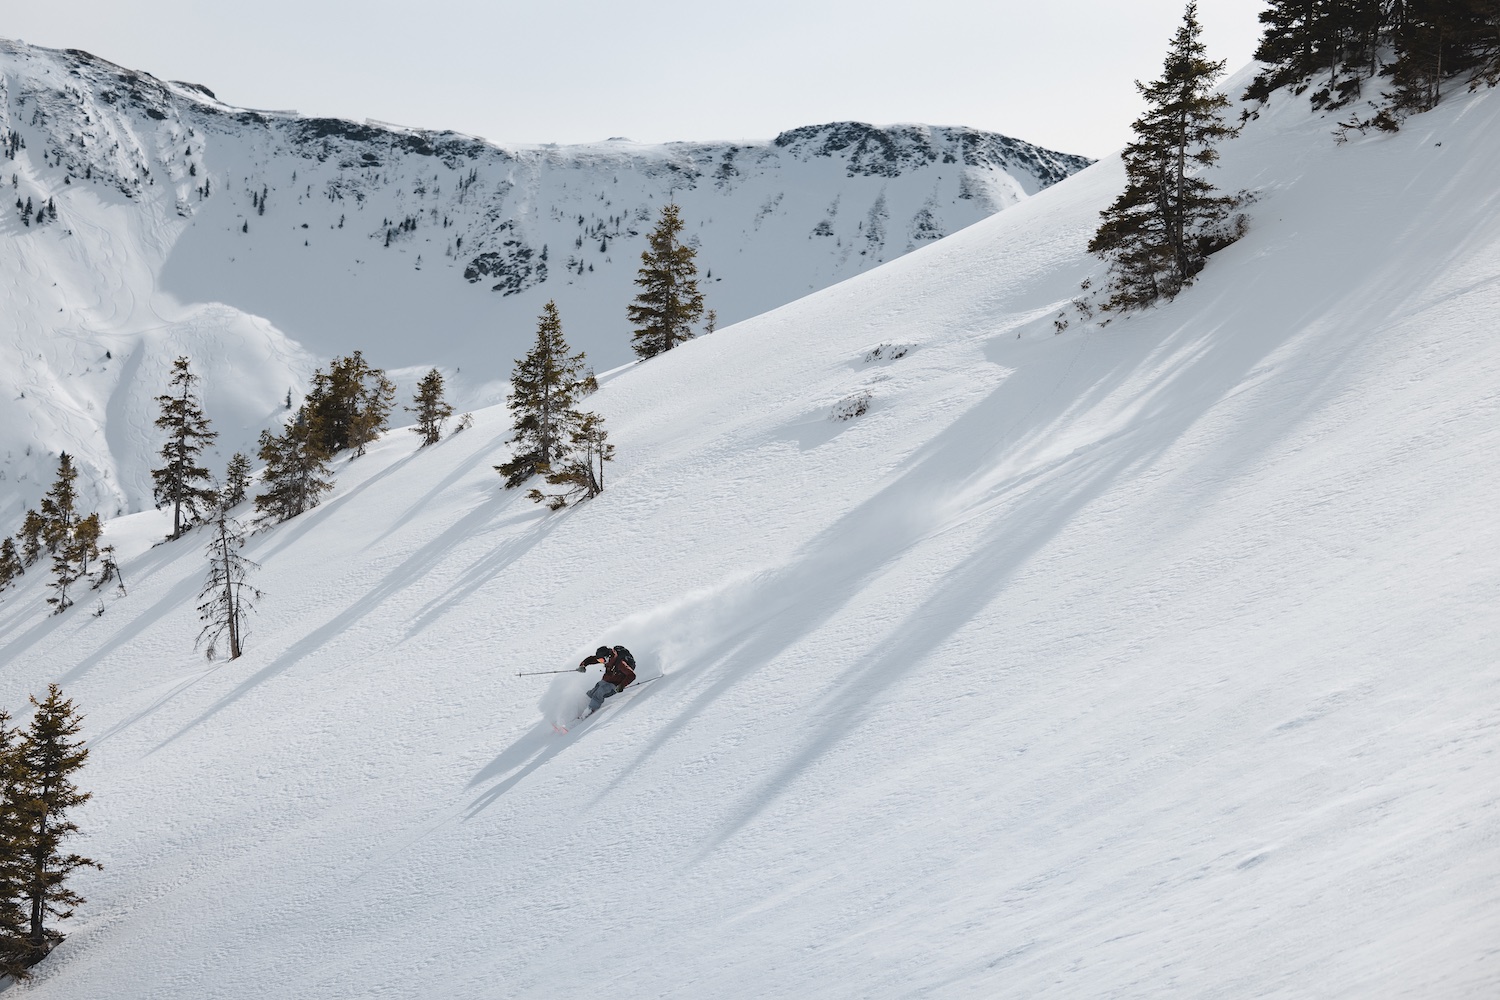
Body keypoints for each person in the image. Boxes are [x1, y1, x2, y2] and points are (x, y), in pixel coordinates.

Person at [580, 645, 636, 715]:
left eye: (602, 660)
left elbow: (632, 675)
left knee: (600, 692)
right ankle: (583, 706)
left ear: (608, 657)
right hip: (607, 679)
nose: (601, 662)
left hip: (615, 685)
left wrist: (622, 685)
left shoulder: (620, 663)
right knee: (594, 690)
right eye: (599, 660)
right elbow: (592, 659)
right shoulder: (607, 659)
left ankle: (590, 710)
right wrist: (583, 665)